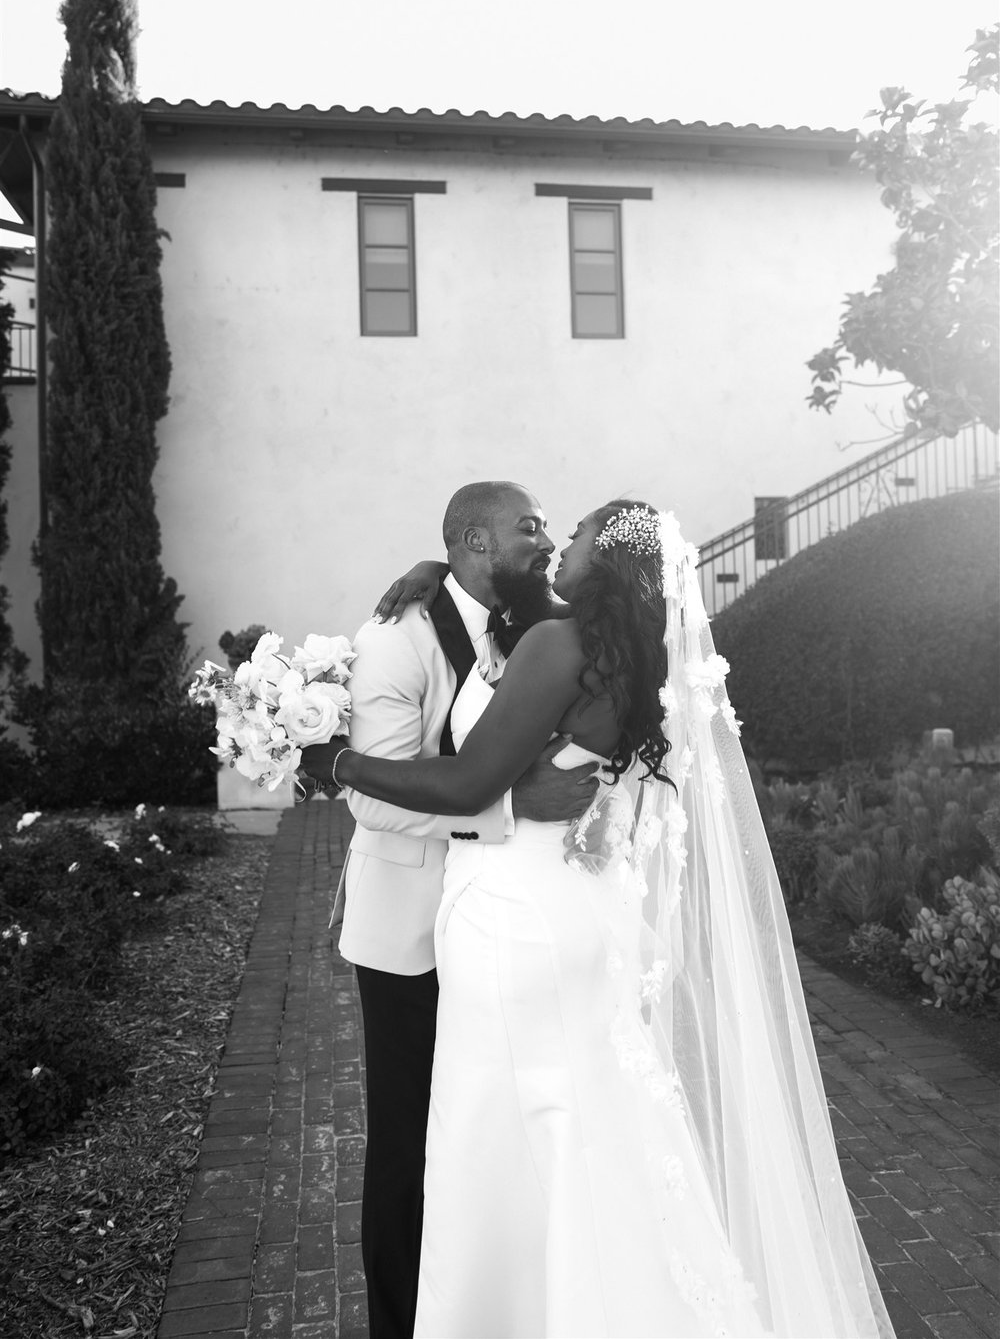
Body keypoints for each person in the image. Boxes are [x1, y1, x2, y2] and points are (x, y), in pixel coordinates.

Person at [303, 500, 896, 1339]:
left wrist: (338, 763)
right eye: (541, 527)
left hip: (515, 920)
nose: (556, 541)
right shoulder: (622, 651)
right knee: (574, 1126)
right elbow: (505, 614)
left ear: (604, 559)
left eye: (572, 531)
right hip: (569, 914)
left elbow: (469, 785)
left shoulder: (556, 642)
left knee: (493, 1143)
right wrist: (438, 574)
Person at [316, 480, 600, 1339]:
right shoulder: (393, 637)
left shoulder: (524, 618)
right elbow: (371, 795)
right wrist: (501, 807)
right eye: (528, 527)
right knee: (407, 1145)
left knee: (481, 1131)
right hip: (407, 926)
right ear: (476, 540)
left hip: (496, 921)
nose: (544, 540)